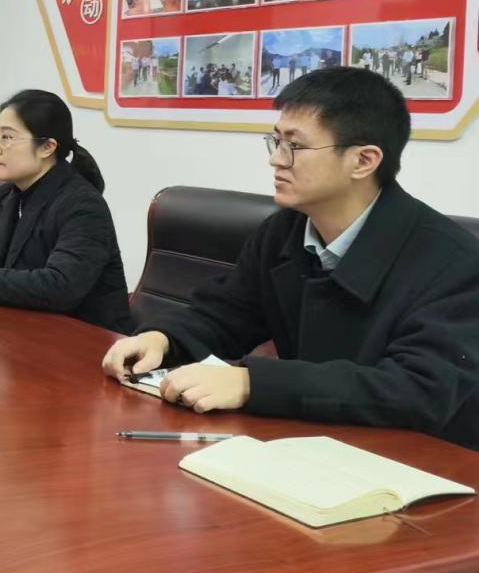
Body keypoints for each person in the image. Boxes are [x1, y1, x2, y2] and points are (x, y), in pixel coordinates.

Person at [102, 66, 479, 450]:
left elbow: (417, 389)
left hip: (423, 461)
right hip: (314, 445)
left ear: (363, 161)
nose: (277, 160)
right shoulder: (285, 231)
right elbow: (226, 313)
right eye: (276, 141)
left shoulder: (454, 262)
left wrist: (251, 383)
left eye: (295, 147)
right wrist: (163, 338)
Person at [0, 90, 131, 333]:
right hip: (18, 330)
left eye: (7, 137)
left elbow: (60, 287)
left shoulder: (83, 205)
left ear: (47, 147)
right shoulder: (6, 196)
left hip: (85, 340)